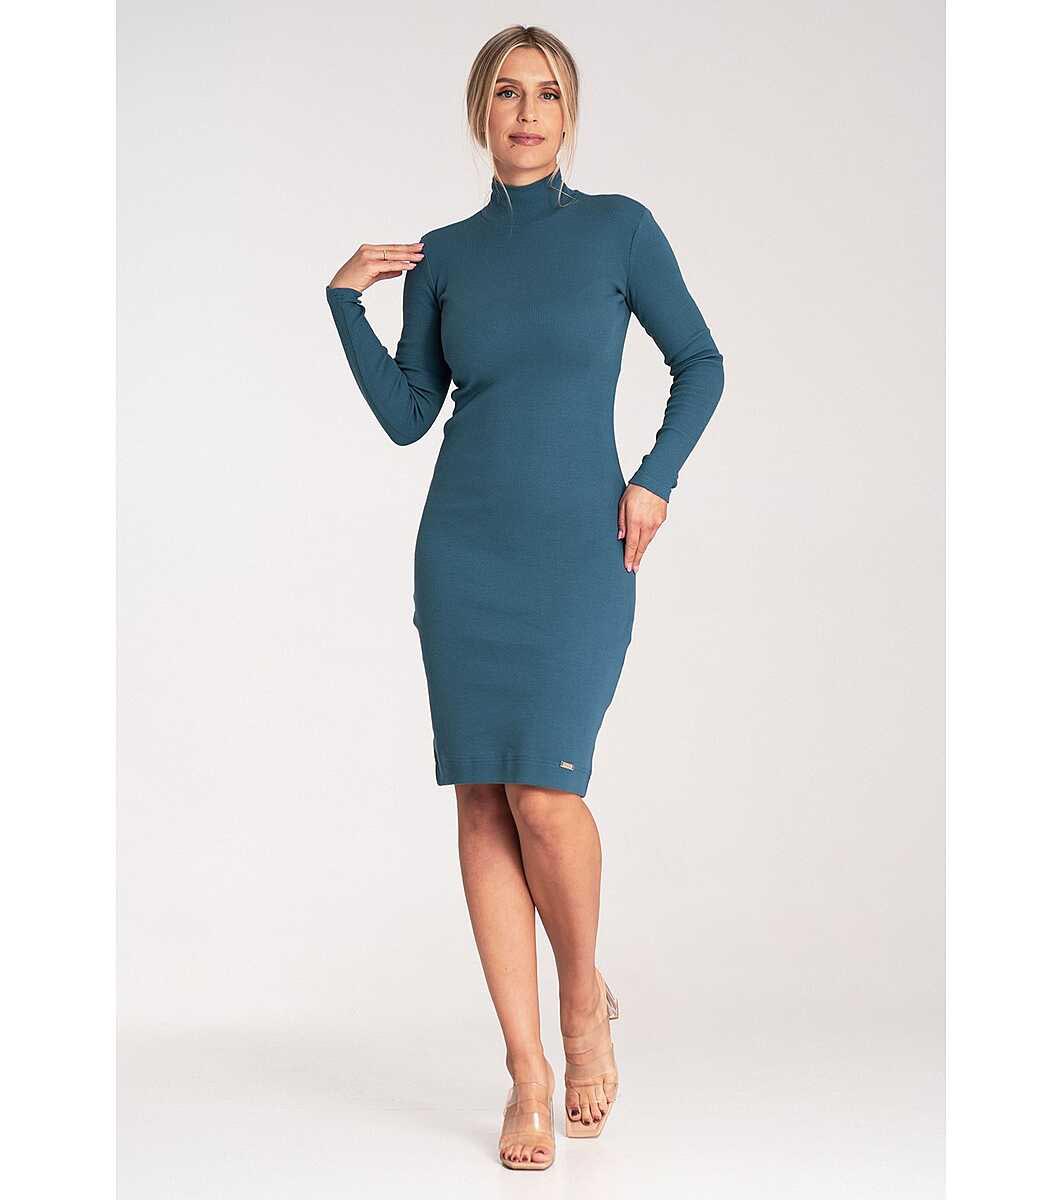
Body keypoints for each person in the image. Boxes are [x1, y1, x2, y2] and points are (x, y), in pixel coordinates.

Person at [325, 24, 724, 1172]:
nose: (527, 111)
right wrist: (346, 304)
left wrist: (655, 478)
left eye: (547, 93)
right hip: (466, 553)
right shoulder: (446, 256)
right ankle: (527, 1074)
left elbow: (701, 362)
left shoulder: (618, 228)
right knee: (483, 804)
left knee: (546, 796)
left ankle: (582, 998)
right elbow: (410, 416)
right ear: (480, 112)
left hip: (577, 550)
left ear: (569, 114)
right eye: (507, 92)